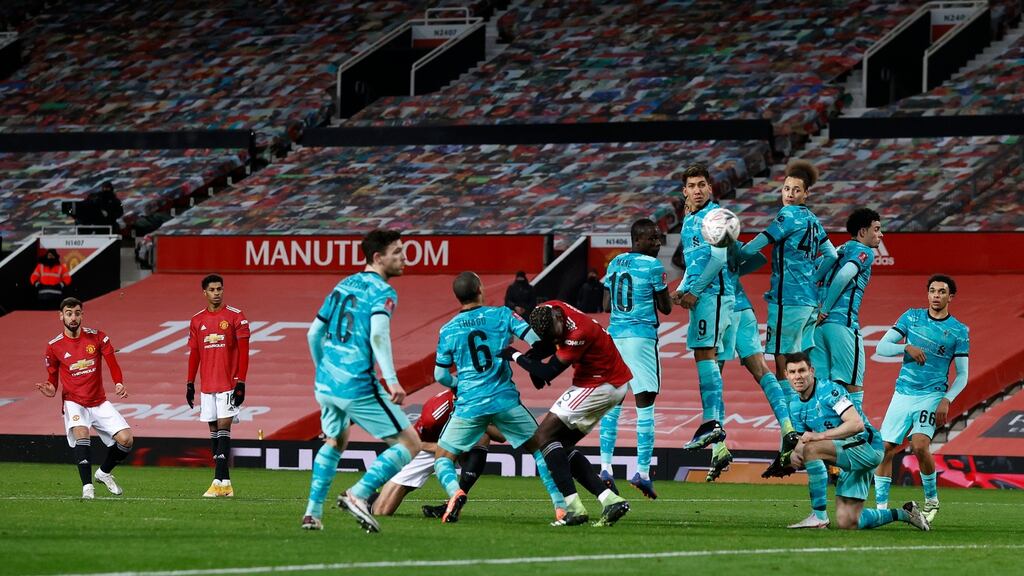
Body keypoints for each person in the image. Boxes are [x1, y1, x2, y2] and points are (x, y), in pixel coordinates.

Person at [301, 229, 421, 533]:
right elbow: (378, 334)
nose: (404, 258)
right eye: (397, 252)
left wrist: (322, 369)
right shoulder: (383, 291)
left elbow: (313, 333)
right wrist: (392, 380)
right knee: (409, 443)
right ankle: (359, 493)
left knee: (335, 440)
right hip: (356, 384)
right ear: (378, 258)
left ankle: (312, 514)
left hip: (326, 384)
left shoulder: (343, 285)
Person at [736, 159, 836, 522]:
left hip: (787, 302)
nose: (790, 194)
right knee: (804, 367)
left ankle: (791, 432)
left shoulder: (789, 216)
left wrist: (728, 252)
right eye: (787, 189)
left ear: (806, 193)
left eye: (796, 189)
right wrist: (812, 277)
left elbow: (757, 246)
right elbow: (831, 255)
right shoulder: (813, 220)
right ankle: (811, 428)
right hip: (808, 300)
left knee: (783, 366)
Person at [431, 272, 566, 523]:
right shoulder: (502, 315)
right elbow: (536, 340)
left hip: (469, 403)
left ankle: (455, 492)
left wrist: (458, 385)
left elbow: (440, 374)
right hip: (504, 399)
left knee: (443, 458)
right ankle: (561, 506)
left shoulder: (447, 329)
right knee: (539, 448)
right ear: (480, 289)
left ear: (457, 296)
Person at [501, 301, 632, 527]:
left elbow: (550, 370)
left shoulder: (578, 333)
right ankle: (610, 500)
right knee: (560, 446)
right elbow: (548, 346)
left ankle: (574, 508)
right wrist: (535, 356)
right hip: (605, 382)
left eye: (555, 335)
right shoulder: (552, 309)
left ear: (560, 320)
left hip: (601, 384)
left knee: (542, 437)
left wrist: (515, 356)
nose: (555, 339)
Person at [784, 352, 929, 531]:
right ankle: (906, 513)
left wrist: (819, 437)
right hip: (848, 452)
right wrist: (793, 456)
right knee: (849, 521)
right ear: (786, 376)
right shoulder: (795, 406)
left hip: (867, 446)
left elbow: (856, 424)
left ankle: (819, 517)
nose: (797, 376)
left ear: (812, 371)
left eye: (802, 370)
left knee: (812, 449)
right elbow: (801, 441)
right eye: (792, 372)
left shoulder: (829, 390)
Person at [874, 275, 969, 524]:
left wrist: (947, 399)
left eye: (941, 291)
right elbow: (881, 348)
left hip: (932, 394)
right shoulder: (911, 317)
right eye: (932, 291)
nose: (936, 295)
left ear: (951, 297)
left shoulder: (959, 331)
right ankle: (882, 508)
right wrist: (905, 347)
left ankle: (931, 501)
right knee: (884, 450)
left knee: (918, 446)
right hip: (903, 393)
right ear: (927, 294)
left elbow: (962, 375)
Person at [597, 219, 672, 498]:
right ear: (637, 239)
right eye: (652, 238)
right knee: (646, 403)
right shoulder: (653, 266)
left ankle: (605, 466)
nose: (657, 243)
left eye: (658, 238)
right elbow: (664, 308)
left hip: (614, 336)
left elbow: (606, 303)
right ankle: (641, 471)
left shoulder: (614, 264)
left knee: (613, 403)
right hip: (640, 337)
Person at [671, 163, 736, 480]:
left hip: (714, 298)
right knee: (714, 372)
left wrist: (694, 291)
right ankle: (718, 448)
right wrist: (682, 288)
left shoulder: (716, 217)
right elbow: (695, 264)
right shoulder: (688, 222)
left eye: (702, 184)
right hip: (707, 298)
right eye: (691, 185)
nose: (697, 189)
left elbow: (720, 259)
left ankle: (711, 429)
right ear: (684, 191)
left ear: (710, 188)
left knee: (704, 358)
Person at [35, 297, 133, 499]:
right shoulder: (54, 346)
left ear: (82, 315)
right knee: (82, 434)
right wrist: (50, 389)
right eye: (69, 313)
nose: (73, 317)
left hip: (98, 400)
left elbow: (112, 362)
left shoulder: (98, 337)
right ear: (61, 316)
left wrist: (119, 382)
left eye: (77, 313)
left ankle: (103, 473)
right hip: (74, 401)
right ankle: (87, 487)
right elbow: (52, 381)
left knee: (126, 440)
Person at [717, 242, 798, 481]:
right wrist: (732, 273)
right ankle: (788, 427)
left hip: (720, 309)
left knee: (713, 378)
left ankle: (717, 447)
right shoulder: (728, 235)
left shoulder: (698, 234)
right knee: (763, 370)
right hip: (745, 309)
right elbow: (759, 257)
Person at [186, 274, 250, 498]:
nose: (217, 293)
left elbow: (244, 352)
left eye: (219, 289)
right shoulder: (197, 321)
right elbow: (194, 354)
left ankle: (216, 481)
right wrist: (189, 383)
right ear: (205, 292)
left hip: (228, 383)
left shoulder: (236, 317)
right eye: (212, 289)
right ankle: (226, 484)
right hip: (207, 385)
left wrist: (241, 381)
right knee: (214, 431)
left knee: (224, 427)